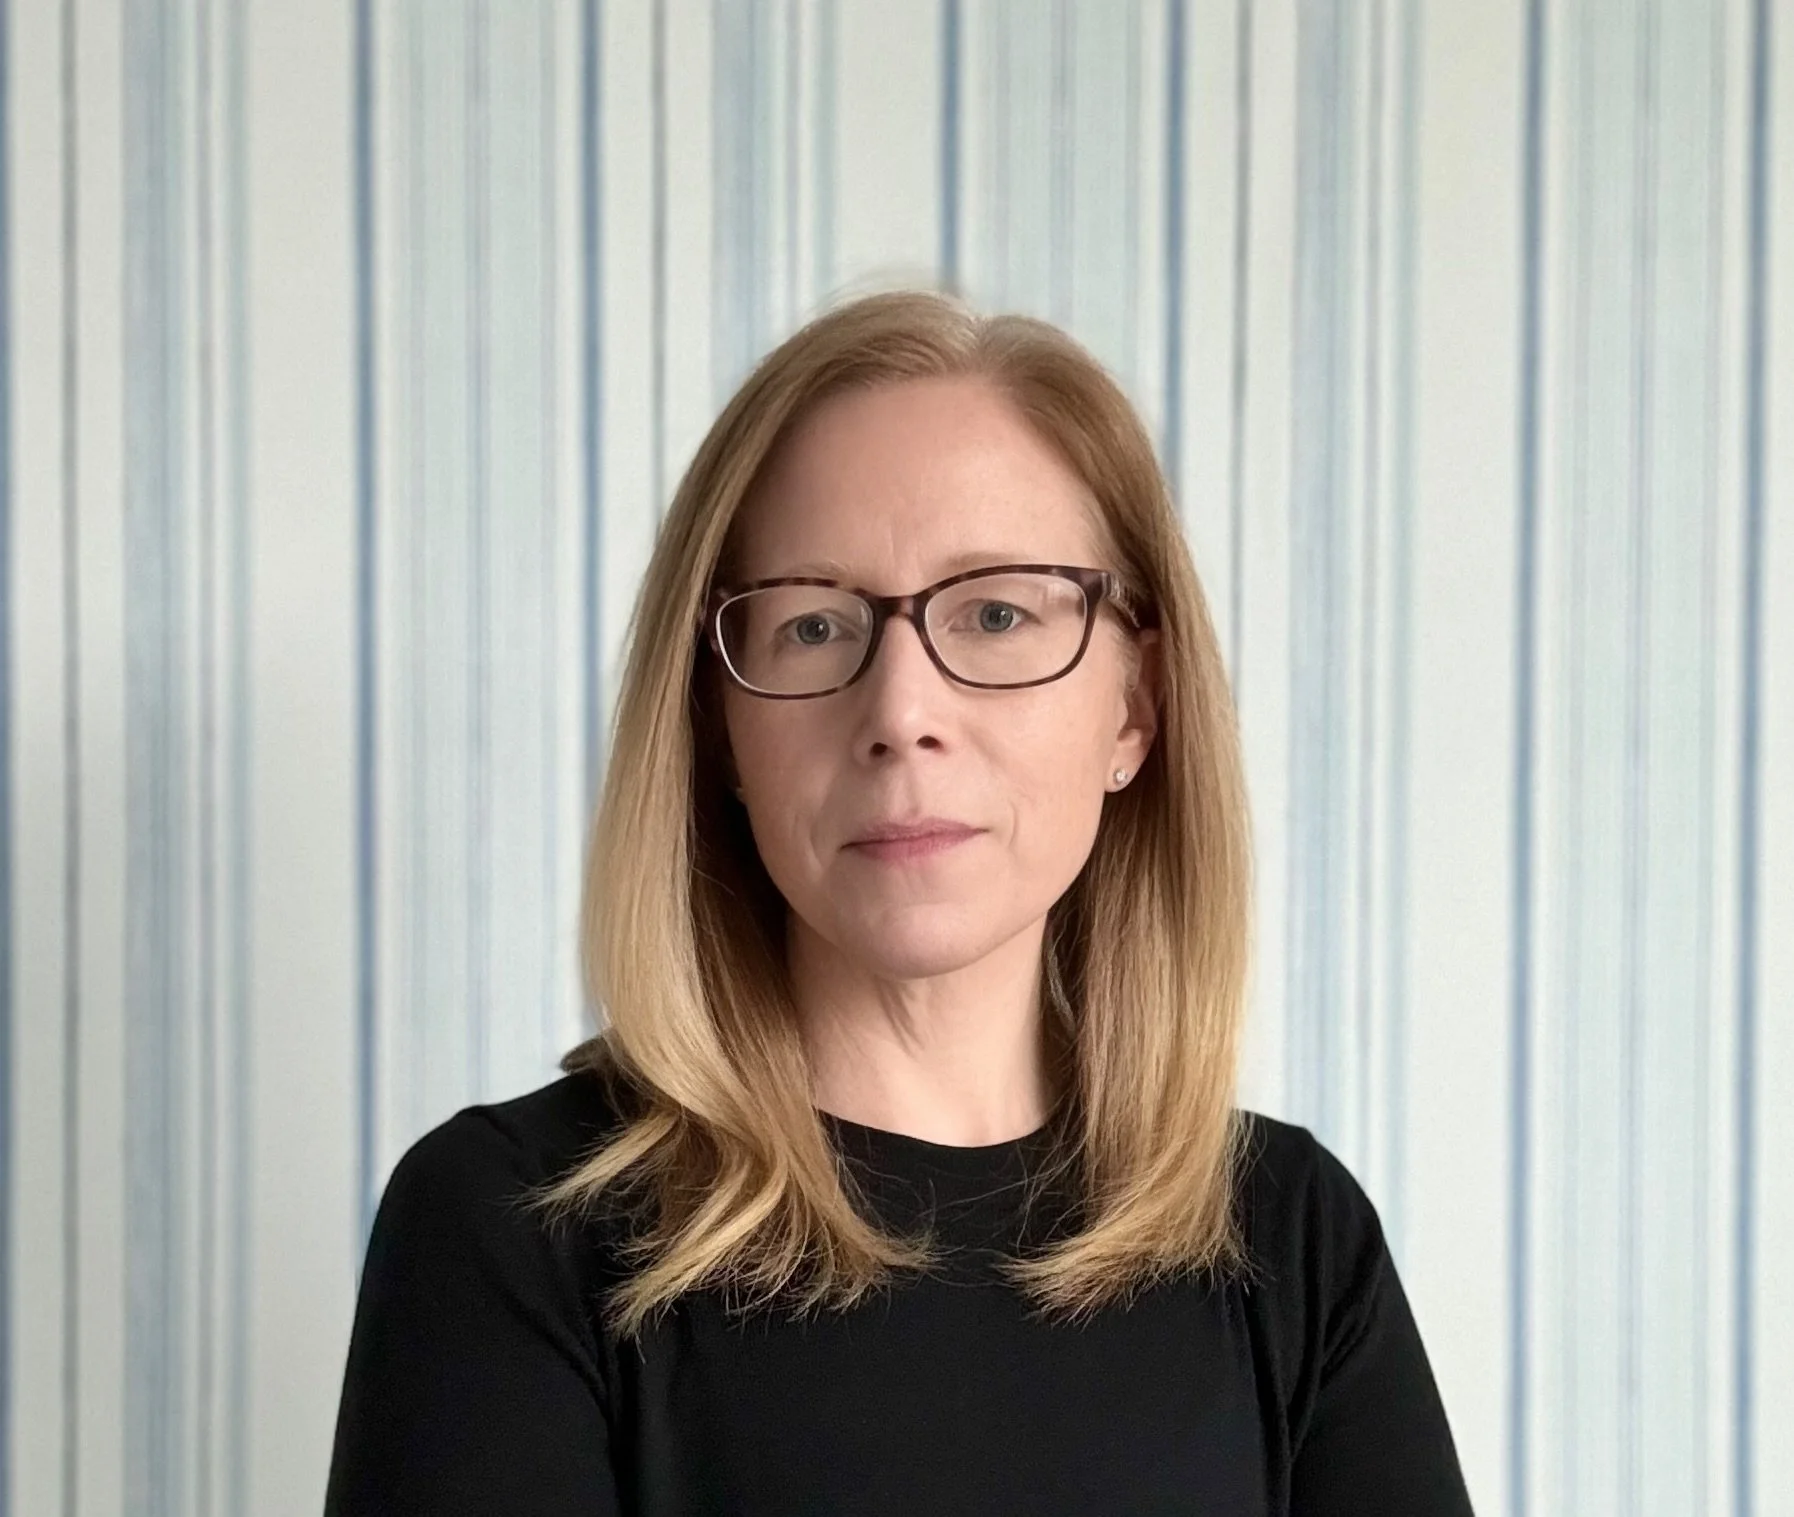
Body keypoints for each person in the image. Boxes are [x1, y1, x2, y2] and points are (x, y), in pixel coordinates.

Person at [322, 289, 1476, 1515]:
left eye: (995, 611)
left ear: (1135, 708)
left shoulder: (1290, 1243)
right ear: (718, 726)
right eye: (815, 626)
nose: (900, 713)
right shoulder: (515, 1230)